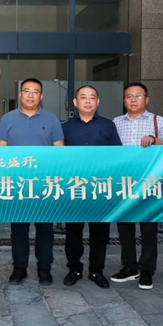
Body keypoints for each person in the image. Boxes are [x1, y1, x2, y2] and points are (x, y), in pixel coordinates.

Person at [0, 78, 64, 285]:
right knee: (18, 229)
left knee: (45, 229)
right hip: (16, 184)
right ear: (20, 94)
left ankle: (44, 268)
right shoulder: (7, 119)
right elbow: (0, 153)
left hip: (44, 183)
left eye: (35, 92)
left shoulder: (52, 120)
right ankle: (20, 268)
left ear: (41, 96)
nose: (31, 95)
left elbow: (60, 152)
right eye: (27, 91)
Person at [111, 83, 163, 290]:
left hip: (150, 181)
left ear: (146, 99)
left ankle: (147, 270)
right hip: (124, 181)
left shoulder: (157, 120)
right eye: (129, 96)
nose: (133, 99)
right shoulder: (116, 122)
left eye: (138, 96)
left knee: (148, 227)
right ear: (124, 100)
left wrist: (155, 140)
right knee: (125, 227)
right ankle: (130, 267)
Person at [61, 85, 122, 289]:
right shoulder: (66, 128)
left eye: (92, 97)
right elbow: (59, 159)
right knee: (73, 232)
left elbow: (117, 155)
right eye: (83, 97)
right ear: (75, 102)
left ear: (98, 102)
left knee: (100, 232)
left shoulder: (108, 126)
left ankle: (97, 270)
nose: (88, 101)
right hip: (74, 186)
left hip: (100, 186)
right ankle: (74, 269)